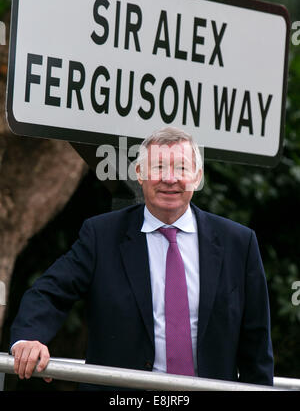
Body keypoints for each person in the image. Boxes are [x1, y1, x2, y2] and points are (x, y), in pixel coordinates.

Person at [10, 126, 273, 389]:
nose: (170, 179)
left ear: (197, 176)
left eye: (181, 168)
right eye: (158, 167)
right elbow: (51, 291)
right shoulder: (102, 236)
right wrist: (29, 338)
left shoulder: (238, 243)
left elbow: (257, 342)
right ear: (140, 174)